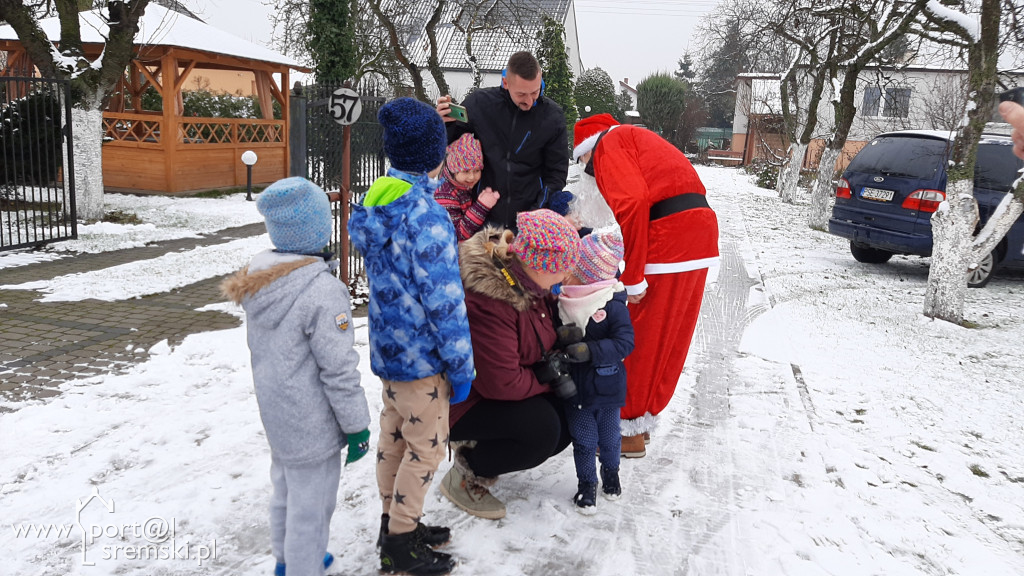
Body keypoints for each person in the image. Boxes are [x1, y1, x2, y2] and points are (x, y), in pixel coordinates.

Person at [349, 97, 476, 576]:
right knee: (426, 449)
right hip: (423, 360)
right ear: (434, 153)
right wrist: (461, 366)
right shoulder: (426, 214)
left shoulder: (379, 200)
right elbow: (444, 301)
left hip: (388, 353)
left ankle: (395, 523)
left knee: (395, 442)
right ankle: (400, 543)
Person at [221, 176, 371, 576]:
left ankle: (287, 559)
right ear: (320, 230)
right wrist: (356, 426)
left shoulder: (262, 281)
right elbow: (338, 368)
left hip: (277, 412)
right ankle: (304, 565)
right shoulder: (321, 291)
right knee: (313, 505)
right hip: (312, 423)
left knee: (286, 490)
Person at [570, 113, 720, 459]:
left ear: (587, 151)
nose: (586, 173)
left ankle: (625, 427)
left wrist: (633, 276)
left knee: (640, 332)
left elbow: (633, 202)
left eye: (581, 163)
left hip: (669, 237)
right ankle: (644, 418)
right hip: (699, 234)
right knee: (670, 333)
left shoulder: (609, 144)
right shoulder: (637, 140)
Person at [440, 209, 583, 520]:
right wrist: (547, 380)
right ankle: (467, 472)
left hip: (499, 390)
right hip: (460, 403)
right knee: (543, 430)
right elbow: (501, 382)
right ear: (539, 263)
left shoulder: (531, 284)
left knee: (570, 413)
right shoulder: (491, 298)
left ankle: (490, 445)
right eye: (562, 267)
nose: (566, 274)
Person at [436, 51, 569, 230]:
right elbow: (451, 147)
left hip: (528, 222)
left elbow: (556, 173)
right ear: (506, 83)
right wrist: (444, 124)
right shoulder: (479, 104)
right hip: (481, 218)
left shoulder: (552, 117)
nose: (529, 101)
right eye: (521, 94)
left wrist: (536, 213)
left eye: (535, 92)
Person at [558, 229, 634, 514]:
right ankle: (586, 483)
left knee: (610, 439)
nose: (567, 273)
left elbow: (625, 342)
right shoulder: (564, 302)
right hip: (575, 390)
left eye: (573, 270)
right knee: (583, 441)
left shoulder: (612, 306)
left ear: (590, 277)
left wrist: (591, 351)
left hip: (606, 389)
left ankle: (611, 473)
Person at [434, 132, 501, 241]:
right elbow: (457, 234)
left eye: (477, 170)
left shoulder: (462, 185)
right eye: (465, 171)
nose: (472, 177)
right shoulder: (445, 195)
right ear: (453, 170)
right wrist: (481, 206)